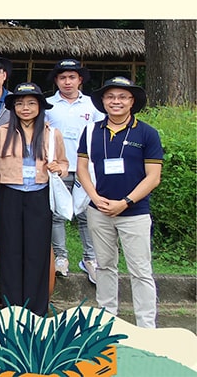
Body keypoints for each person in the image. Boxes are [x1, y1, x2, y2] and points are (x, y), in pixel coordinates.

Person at [78, 77, 162, 328]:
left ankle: (147, 327)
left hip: (134, 212)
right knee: (104, 266)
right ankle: (106, 322)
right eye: (110, 97)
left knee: (140, 270)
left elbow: (153, 177)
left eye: (122, 97)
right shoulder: (92, 131)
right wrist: (94, 197)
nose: (116, 102)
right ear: (103, 101)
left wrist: (125, 201)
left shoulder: (147, 133)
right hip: (99, 211)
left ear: (131, 101)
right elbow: (82, 168)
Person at [0, 83, 67, 317]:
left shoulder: (52, 134)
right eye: (20, 103)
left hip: (39, 196)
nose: (25, 108)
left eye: (31, 103)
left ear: (40, 106)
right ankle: (12, 308)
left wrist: (58, 168)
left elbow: (64, 164)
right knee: (10, 252)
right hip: (9, 195)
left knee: (37, 252)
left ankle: (36, 309)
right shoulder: (2, 133)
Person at [45, 59, 104, 283]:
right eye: (62, 78)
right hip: (58, 168)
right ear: (56, 81)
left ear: (80, 79)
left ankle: (90, 259)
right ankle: (61, 257)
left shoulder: (93, 106)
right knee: (58, 215)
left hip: (87, 169)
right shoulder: (48, 105)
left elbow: (100, 136)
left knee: (86, 215)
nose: (67, 82)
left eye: (72, 77)